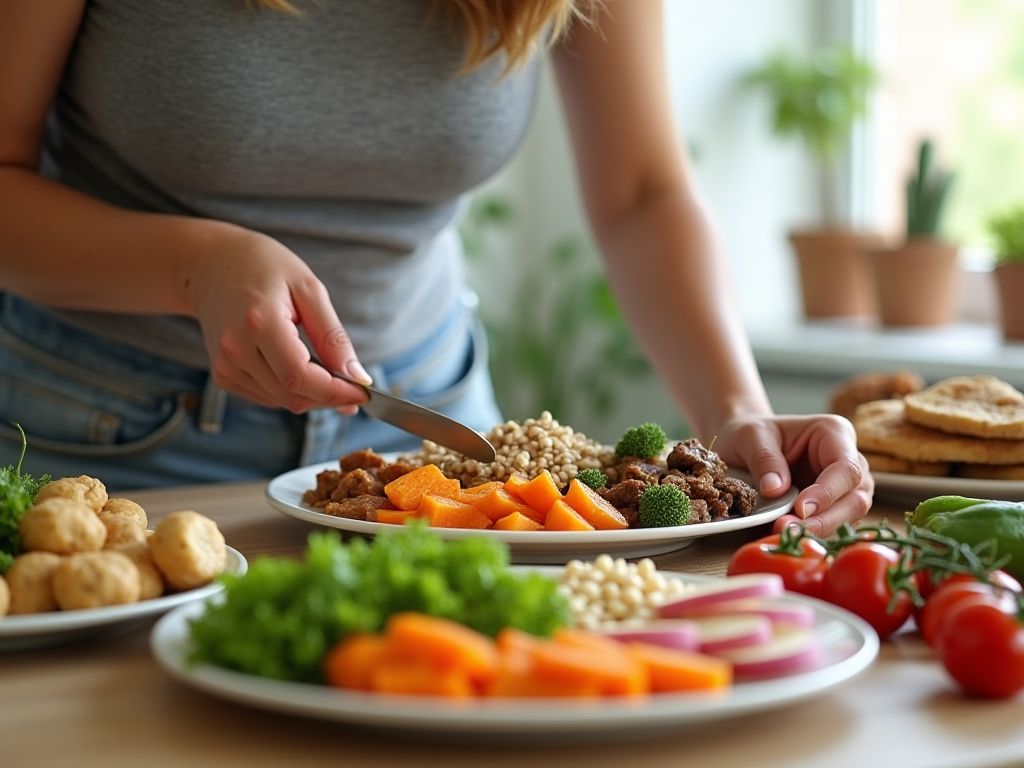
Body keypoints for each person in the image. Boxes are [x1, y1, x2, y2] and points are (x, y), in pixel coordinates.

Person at [0, 0, 872, 534]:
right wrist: (194, 268)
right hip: (114, 444)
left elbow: (643, 191)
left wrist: (739, 415)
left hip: (443, 432)